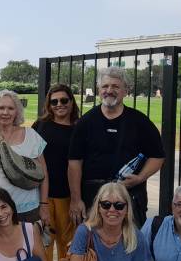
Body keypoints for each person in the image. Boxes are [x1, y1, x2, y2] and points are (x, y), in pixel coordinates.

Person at [68, 66, 164, 228]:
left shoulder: (140, 122)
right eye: (105, 86)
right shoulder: (86, 122)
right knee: (93, 247)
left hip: (130, 196)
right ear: (99, 90)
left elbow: (157, 156)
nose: (109, 90)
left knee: (130, 244)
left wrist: (140, 178)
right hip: (93, 196)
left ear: (125, 91)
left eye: (115, 86)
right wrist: (76, 199)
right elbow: (74, 163)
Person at [0, 90, 50, 231]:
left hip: (26, 209)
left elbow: (43, 174)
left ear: (17, 112)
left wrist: (44, 205)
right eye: (1, 108)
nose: (5, 112)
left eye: (10, 108)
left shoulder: (32, 136)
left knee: (27, 250)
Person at [33, 84, 80, 261]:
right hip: (41, 194)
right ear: (49, 105)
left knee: (67, 242)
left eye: (64, 100)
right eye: (54, 101)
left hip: (68, 194)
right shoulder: (40, 126)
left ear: (71, 102)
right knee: (43, 241)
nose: (59, 105)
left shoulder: (79, 128)